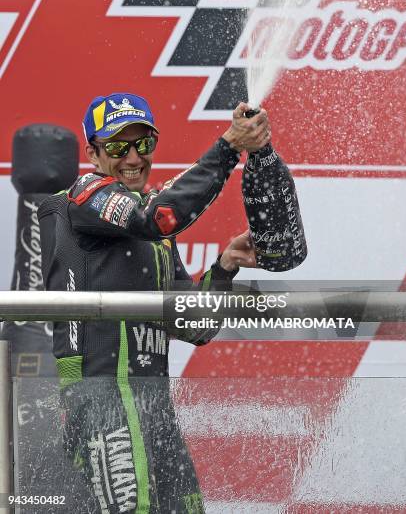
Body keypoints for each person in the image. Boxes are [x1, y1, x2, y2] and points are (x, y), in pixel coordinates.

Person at [38, 92, 271, 514]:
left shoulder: (152, 225)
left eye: (143, 144)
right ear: (92, 153)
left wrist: (224, 267)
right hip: (101, 401)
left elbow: (194, 326)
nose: (132, 157)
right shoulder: (85, 194)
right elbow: (156, 218)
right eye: (116, 147)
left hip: (153, 405)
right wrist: (229, 147)